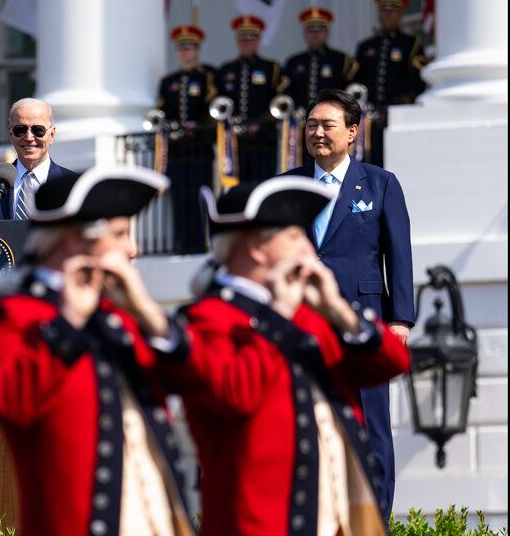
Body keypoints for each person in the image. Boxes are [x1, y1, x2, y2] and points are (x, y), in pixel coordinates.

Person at [174, 176, 409, 536]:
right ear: (256, 247)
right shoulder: (207, 319)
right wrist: (279, 316)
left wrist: (339, 310)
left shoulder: (312, 314)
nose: (308, 249)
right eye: (296, 236)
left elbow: (392, 362)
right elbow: (235, 395)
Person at [0, 167, 194, 535]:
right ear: (76, 240)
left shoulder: (118, 312)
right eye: (120, 235)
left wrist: (151, 316)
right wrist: (68, 321)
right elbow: (10, 399)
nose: (132, 249)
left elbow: (192, 382)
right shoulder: (13, 314)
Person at [283, 87, 414, 521]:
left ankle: (374, 519)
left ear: (353, 132)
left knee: (371, 427)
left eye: (328, 125)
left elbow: (398, 254)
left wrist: (400, 320)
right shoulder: (285, 187)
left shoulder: (380, 184)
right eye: (312, 125)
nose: (317, 133)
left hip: (364, 324)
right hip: (301, 326)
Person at [156, 24, 218, 253]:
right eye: (182, 47)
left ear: (197, 50)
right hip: (176, 152)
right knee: (179, 198)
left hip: (199, 149)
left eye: (190, 47)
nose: (186, 52)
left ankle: (202, 243)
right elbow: (160, 108)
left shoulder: (207, 76)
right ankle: (182, 243)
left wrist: (199, 125)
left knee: (200, 196)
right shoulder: (168, 81)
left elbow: (214, 110)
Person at [354, 0, 427, 167]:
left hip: (397, 117)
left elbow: (418, 83)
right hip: (368, 122)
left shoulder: (411, 44)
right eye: (384, 10)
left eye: (392, 10)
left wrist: (395, 105)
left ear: (401, 13)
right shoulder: (365, 47)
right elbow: (355, 83)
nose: (387, 15)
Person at [217, 15, 289, 184]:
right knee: (236, 189)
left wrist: (261, 122)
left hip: (263, 142)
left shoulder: (272, 68)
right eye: (242, 38)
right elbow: (218, 104)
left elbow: (280, 103)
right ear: (236, 40)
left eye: (251, 38)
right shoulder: (226, 70)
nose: (246, 42)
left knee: (262, 187)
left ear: (258, 40)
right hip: (235, 145)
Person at [284, 6, 358, 168]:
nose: (315, 33)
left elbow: (349, 95)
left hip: (330, 128)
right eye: (311, 29)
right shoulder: (294, 62)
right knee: (301, 170)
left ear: (327, 32)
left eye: (320, 29)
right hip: (299, 130)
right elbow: (286, 95)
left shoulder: (341, 60)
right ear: (305, 33)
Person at [0, 97, 75, 221]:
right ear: (10, 134)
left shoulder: (71, 186)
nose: (29, 137)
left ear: (51, 135)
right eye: (20, 130)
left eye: (38, 130)